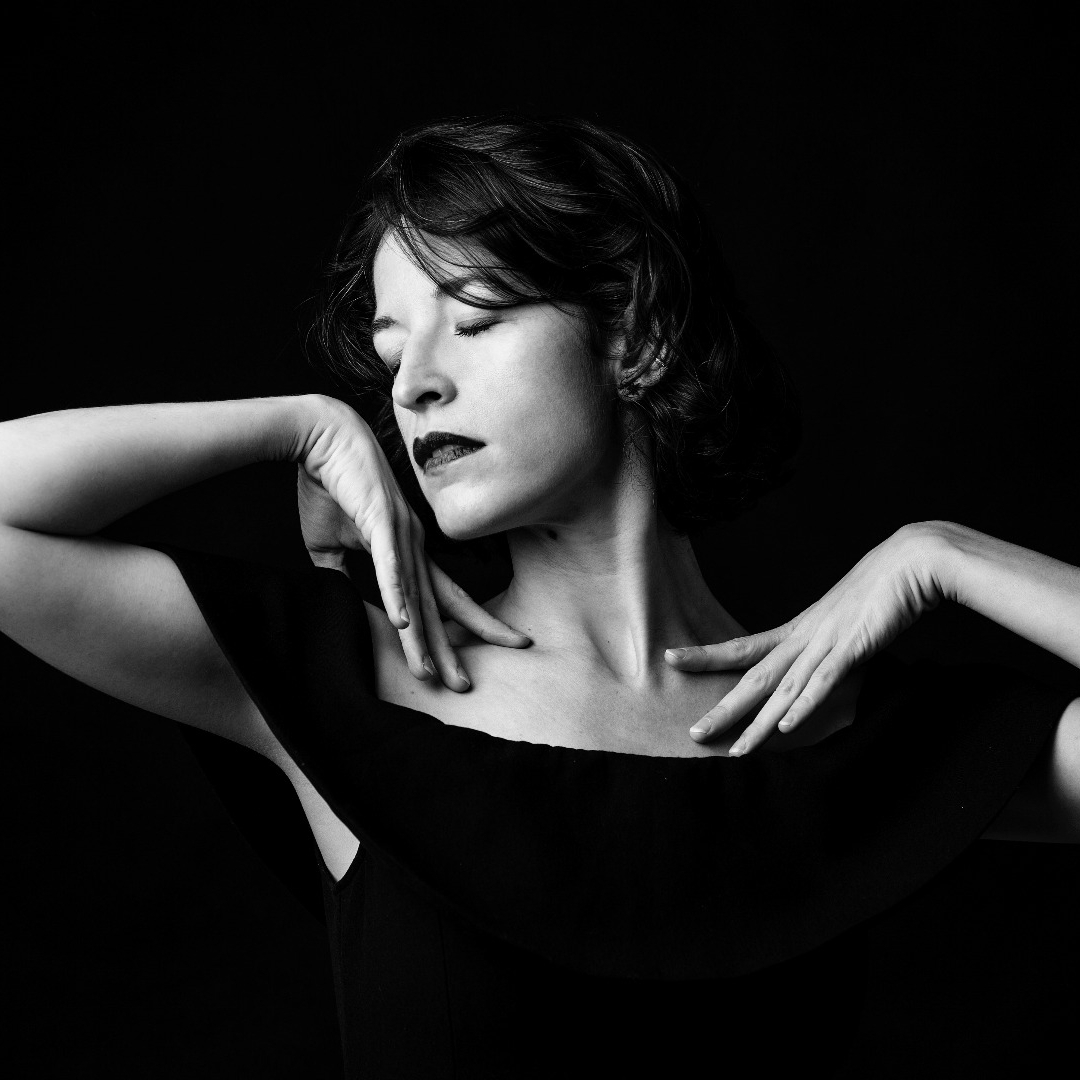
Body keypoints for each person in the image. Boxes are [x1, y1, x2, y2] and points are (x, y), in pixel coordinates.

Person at [1, 115, 1077, 1078]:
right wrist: (298, 426)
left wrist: (947, 555)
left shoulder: (838, 727)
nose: (414, 383)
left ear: (638, 334)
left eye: (474, 316)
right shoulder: (360, 681)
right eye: (390, 350)